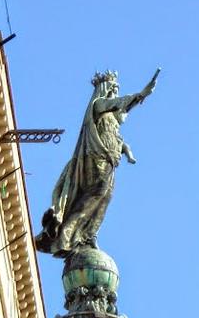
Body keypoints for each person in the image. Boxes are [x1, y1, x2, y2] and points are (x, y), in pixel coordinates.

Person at [35, 69, 160, 257]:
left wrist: (127, 153)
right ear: (106, 89)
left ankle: (88, 235)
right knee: (96, 193)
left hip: (110, 163)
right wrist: (141, 94)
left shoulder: (112, 119)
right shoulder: (99, 105)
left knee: (105, 197)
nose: (116, 92)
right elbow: (120, 104)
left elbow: (119, 135)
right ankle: (66, 236)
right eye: (114, 89)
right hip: (96, 159)